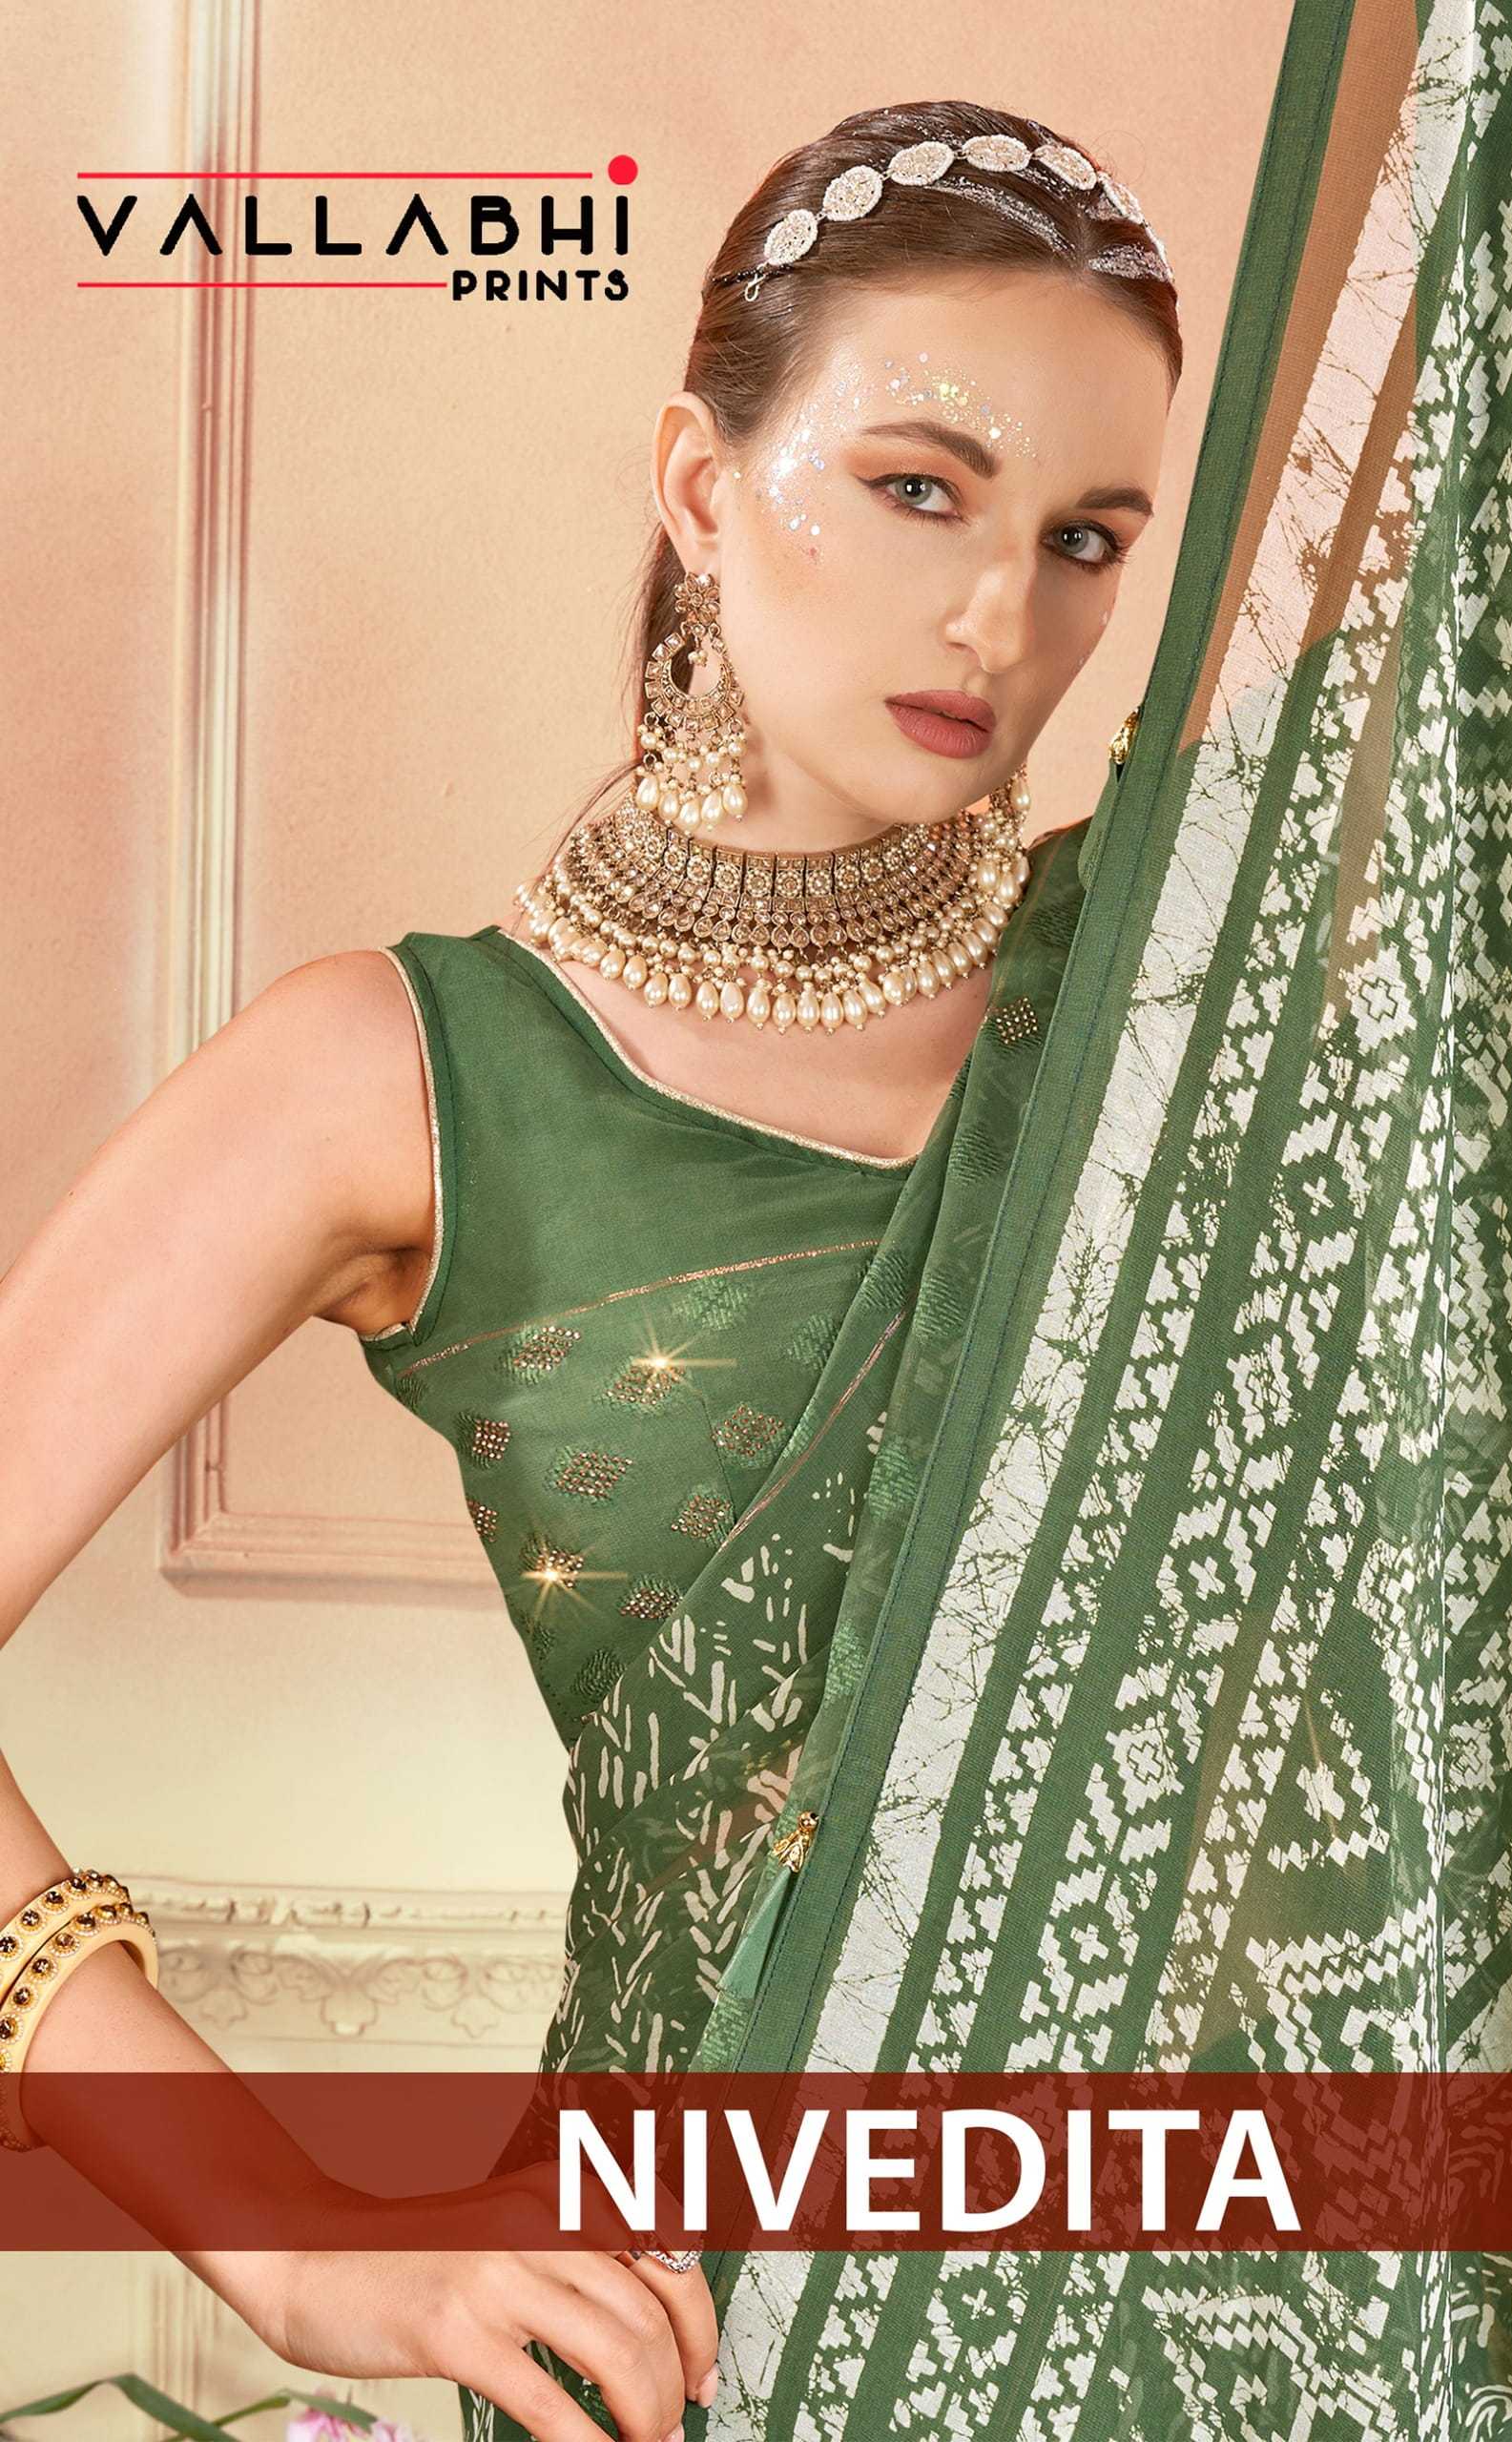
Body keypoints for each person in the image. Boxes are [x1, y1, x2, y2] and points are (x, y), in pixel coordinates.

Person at [0, 100, 1175, 2442]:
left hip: (1237, 2307)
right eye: (916, 488)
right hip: (710, 2333)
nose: (997, 618)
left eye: (1081, 540)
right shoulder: (398, 1072)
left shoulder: (1173, 984)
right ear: (697, 485)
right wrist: (292, 2234)